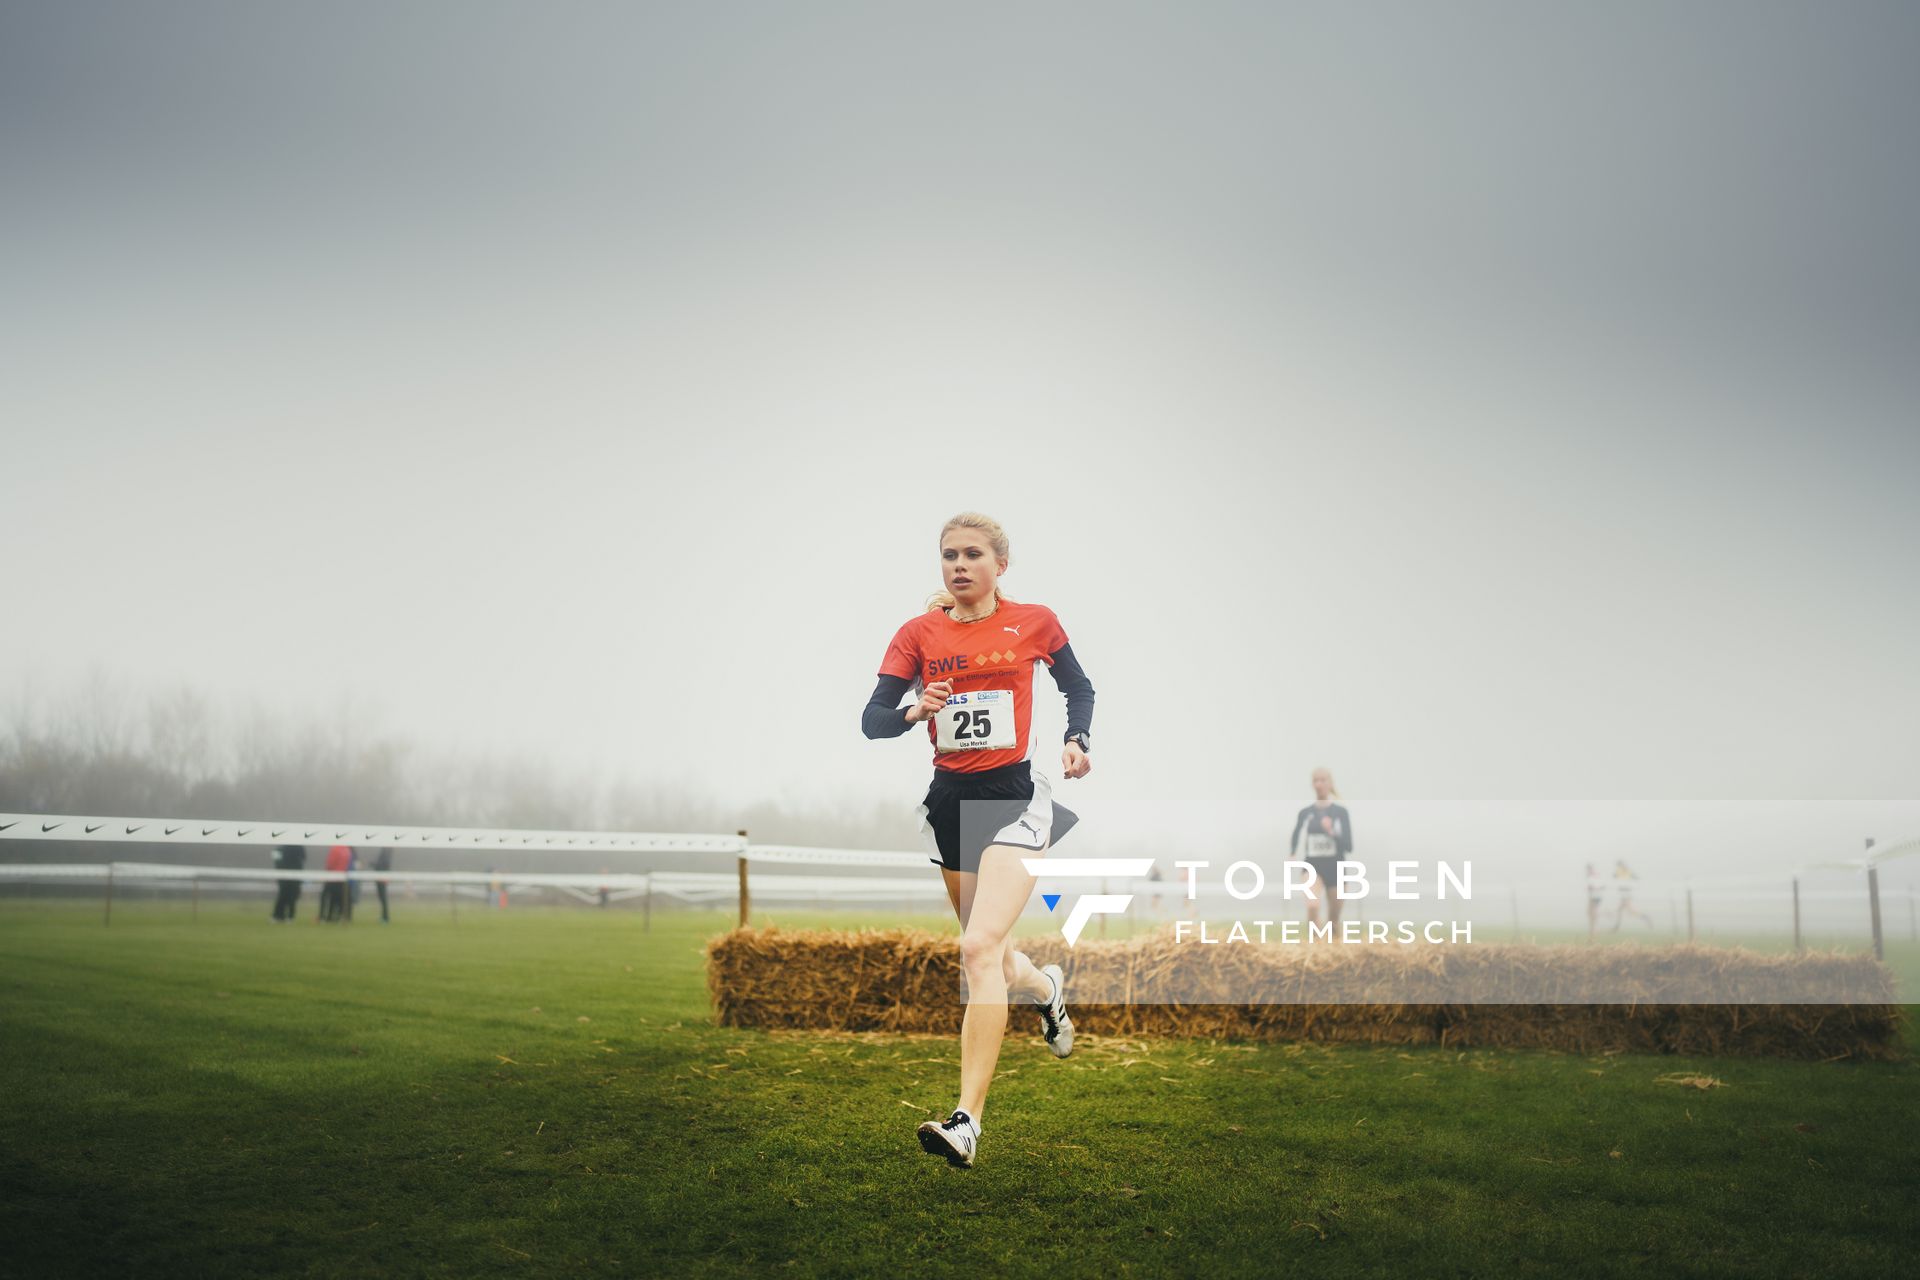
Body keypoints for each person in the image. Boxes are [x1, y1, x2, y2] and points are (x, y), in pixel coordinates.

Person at [861, 512, 1095, 1168]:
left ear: (1000, 565)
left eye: (972, 554)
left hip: (1015, 796)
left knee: (976, 946)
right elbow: (873, 721)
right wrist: (915, 709)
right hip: (950, 805)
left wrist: (1078, 740)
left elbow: (1078, 685)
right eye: (948, 555)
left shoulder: (1034, 621)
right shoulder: (919, 634)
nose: (959, 565)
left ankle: (966, 1123)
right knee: (990, 956)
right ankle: (1046, 989)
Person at [1290, 767, 1354, 931]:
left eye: (1323, 780)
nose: (1319, 784)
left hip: (1336, 867)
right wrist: (1292, 853)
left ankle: (1333, 949)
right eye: (1315, 781)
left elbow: (1349, 846)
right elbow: (1296, 834)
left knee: (1333, 919)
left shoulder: (1340, 813)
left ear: (1330, 783)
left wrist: (1332, 832)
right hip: (1312, 866)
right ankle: (1316, 947)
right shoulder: (1305, 813)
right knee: (1312, 906)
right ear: (1312, 784)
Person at [1611, 859, 1651, 931]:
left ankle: (1645, 917)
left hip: (1626, 893)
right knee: (1620, 910)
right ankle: (1616, 926)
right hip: (1624, 893)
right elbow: (1634, 877)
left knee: (1630, 910)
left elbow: (1615, 876)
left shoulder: (1622, 871)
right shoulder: (1625, 871)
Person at [271, 844, 306, 922]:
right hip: (291, 875)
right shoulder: (297, 846)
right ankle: (286, 916)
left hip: (287, 875)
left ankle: (281, 915)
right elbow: (303, 858)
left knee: (285, 896)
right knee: (289, 896)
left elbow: (276, 860)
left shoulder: (281, 847)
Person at [319, 843, 352, 922]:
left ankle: (324, 917)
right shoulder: (347, 850)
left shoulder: (335, 849)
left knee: (326, 897)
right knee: (338, 899)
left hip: (332, 877)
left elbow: (330, 863)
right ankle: (338, 916)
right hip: (341, 878)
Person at [1585, 862, 1605, 941]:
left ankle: (1594, 930)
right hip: (1596, 896)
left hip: (1594, 896)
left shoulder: (1591, 875)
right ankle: (1594, 929)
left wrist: (1592, 888)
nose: (1587, 870)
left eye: (1588, 869)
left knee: (1592, 913)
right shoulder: (1596, 874)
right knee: (1591, 913)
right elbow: (1602, 886)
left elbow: (1592, 886)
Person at [373, 848, 393, 924]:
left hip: (381, 878)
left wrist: (374, 865)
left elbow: (382, 865)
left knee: (383, 899)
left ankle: (385, 917)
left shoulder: (386, 851)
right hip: (382, 877)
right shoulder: (387, 851)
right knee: (382, 899)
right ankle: (384, 916)